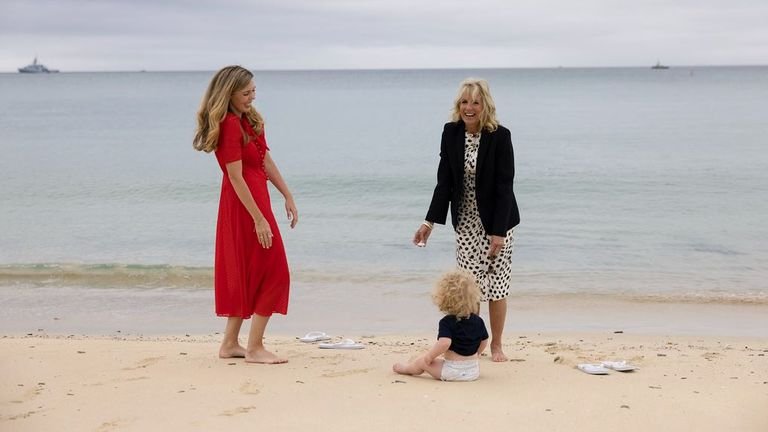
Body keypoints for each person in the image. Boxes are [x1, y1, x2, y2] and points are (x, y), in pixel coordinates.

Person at [193, 65, 298, 364]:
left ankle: (229, 344)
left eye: (254, 90)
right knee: (276, 271)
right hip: (244, 206)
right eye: (246, 93)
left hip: (257, 201)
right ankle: (254, 348)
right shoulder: (227, 125)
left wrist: (287, 194)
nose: (252, 97)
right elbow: (235, 177)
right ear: (229, 93)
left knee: (251, 271)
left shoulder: (249, 121)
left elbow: (264, 158)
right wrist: (259, 219)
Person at [413, 78, 520, 362]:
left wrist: (498, 233)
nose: (469, 108)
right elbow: (444, 181)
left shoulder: (500, 136)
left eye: (475, 102)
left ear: (485, 105)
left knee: (497, 287)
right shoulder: (451, 133)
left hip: (498, 223)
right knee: (469, 287)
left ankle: (496, 345)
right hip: (467, 222)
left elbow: (504, 187)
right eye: (464, 102)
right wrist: (428, 223)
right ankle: (471, 343)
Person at [393, 271, 488, 381]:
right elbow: (484, 341)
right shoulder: (478, 321)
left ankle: (406, 369)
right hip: (473, 371)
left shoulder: (446, 322)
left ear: (444, 299)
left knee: (422, 361)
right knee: (436, 361)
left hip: (452, 371)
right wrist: (476, 354)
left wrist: (429, 357)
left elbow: (444, 343)